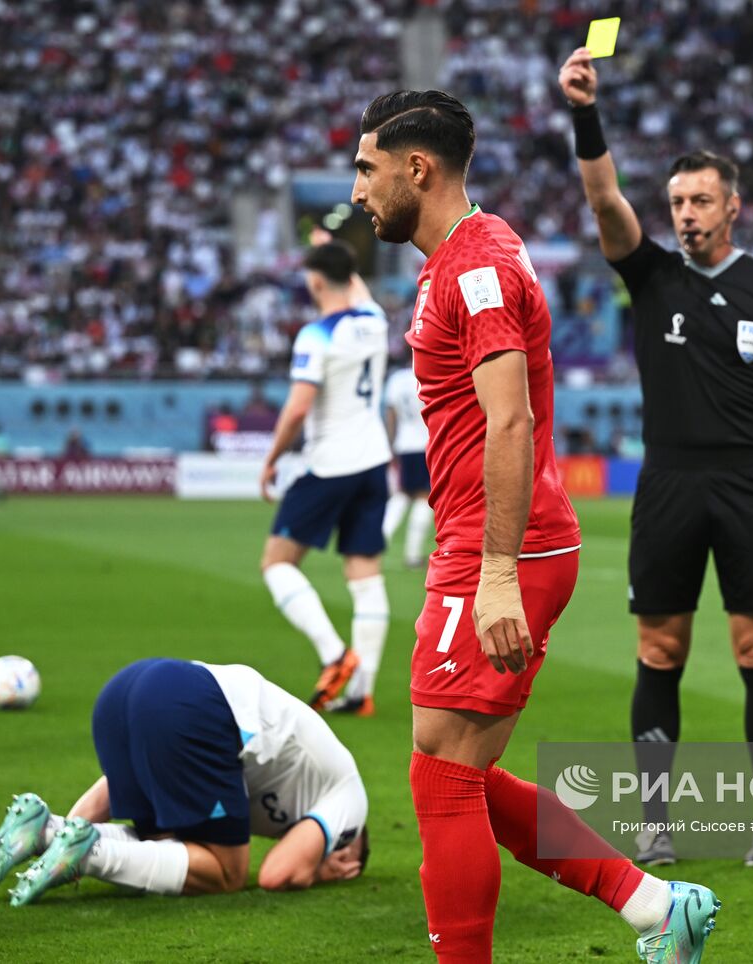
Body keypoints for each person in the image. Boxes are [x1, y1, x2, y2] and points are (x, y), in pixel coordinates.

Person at [352, 89, 719, 963]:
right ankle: (654, 906)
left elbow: (510, 421)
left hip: (502, 546)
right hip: (484, 538)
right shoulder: (462, 255)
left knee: (443, 779)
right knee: (455, 770)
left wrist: (496, 572)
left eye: (367, 169)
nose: (357, 190)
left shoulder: (475, 267)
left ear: (416, 169)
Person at [559, 47, 753, 868]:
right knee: (660, 650)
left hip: (749, 482)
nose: (686, 214)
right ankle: (656, 823)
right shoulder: (651, 275)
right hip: (669, 484)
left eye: (700, 201)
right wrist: (586, 111)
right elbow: (603, 196)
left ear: (732, 208)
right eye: (678, 202)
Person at [0, 658, 369, 906]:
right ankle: (91, 853)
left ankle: (44, 829)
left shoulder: (294, 788)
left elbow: (115, 784)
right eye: (346, 857)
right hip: (193, 702)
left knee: (170, 845)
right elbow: (277, 874)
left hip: (125, 691)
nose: (339, 857)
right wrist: (317, 869)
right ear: (351, 845)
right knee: (228, 873)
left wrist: (64, 830)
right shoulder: (349, 797)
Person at [259, 241, 391, 717]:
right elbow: (355, 285)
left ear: (315, 281)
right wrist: (332, 254)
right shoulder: (375, 321)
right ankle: (362, 691)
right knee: (365, 574)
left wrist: (272, 458)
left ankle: (335, 656)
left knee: (277, 563)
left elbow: (298, 408)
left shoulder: (316, 335)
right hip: (374, 460)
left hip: (330, 464)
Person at [381, 347, 434, 568]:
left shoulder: (396, 379)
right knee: (424, 496)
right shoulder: (428, 374)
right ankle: (413, 555)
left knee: (402, 494)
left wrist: (391, 444)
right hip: (426, 443)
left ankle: (378, 541)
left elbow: (391, 414)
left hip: (404, 444)